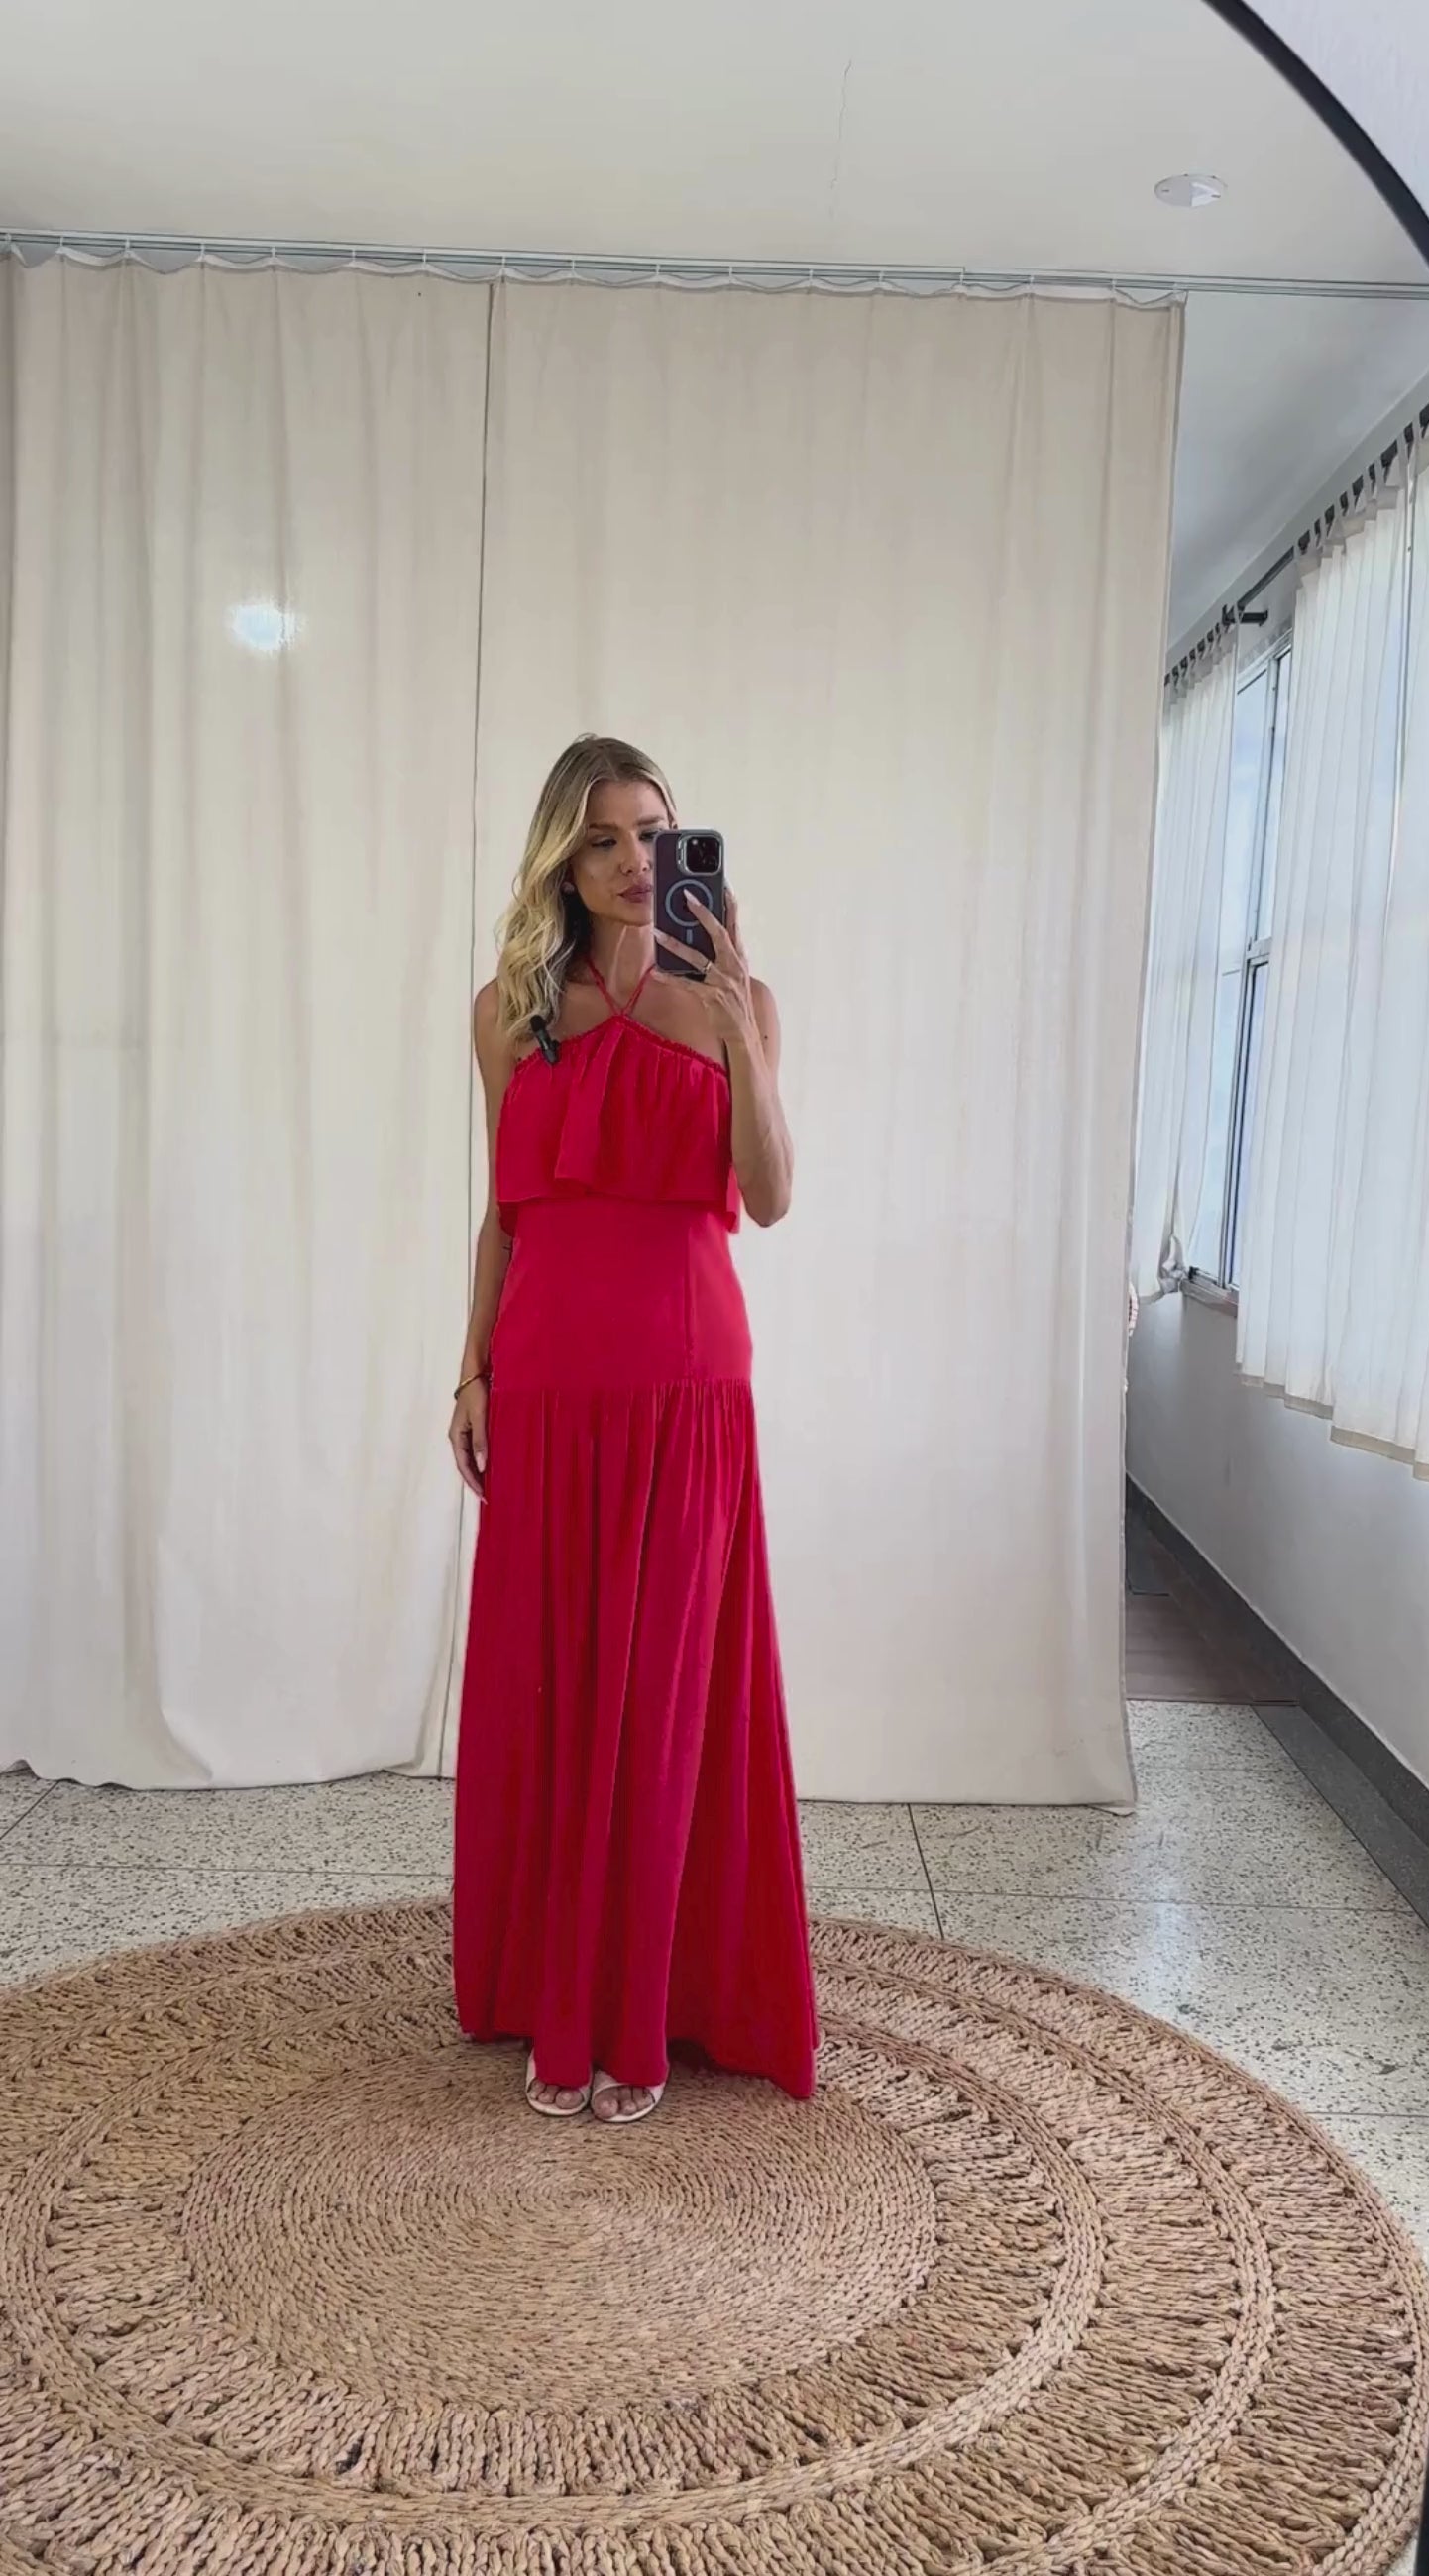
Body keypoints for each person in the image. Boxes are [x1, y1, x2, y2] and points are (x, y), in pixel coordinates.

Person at [447, 735, 820, 2124]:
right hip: (548, 1375)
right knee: (558, 1687)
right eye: (601, 838)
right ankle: (561, 2000)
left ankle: (647, 2011)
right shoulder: (507, 1011)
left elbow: (770, 1197)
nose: (634, 861)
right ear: (561, 858)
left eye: (654, 833)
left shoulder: (739, 1001)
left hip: (686, 1376)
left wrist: (738, 1028)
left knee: (664, 1698)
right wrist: (470, 1370)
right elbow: (504, 1208)